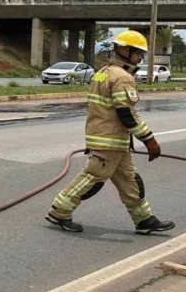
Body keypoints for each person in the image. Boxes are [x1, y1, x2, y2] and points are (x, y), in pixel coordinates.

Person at [45, 30, 175, 235]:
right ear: (125, 50)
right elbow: (127, 115)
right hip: (109, 141)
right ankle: (60, 212)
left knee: (129, 180)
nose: (141, 57)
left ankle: (144, 220)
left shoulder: (104, 71)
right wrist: (150, 140)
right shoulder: (122, 77)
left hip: (112, 140)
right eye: (138, 53)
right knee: (92, 178)